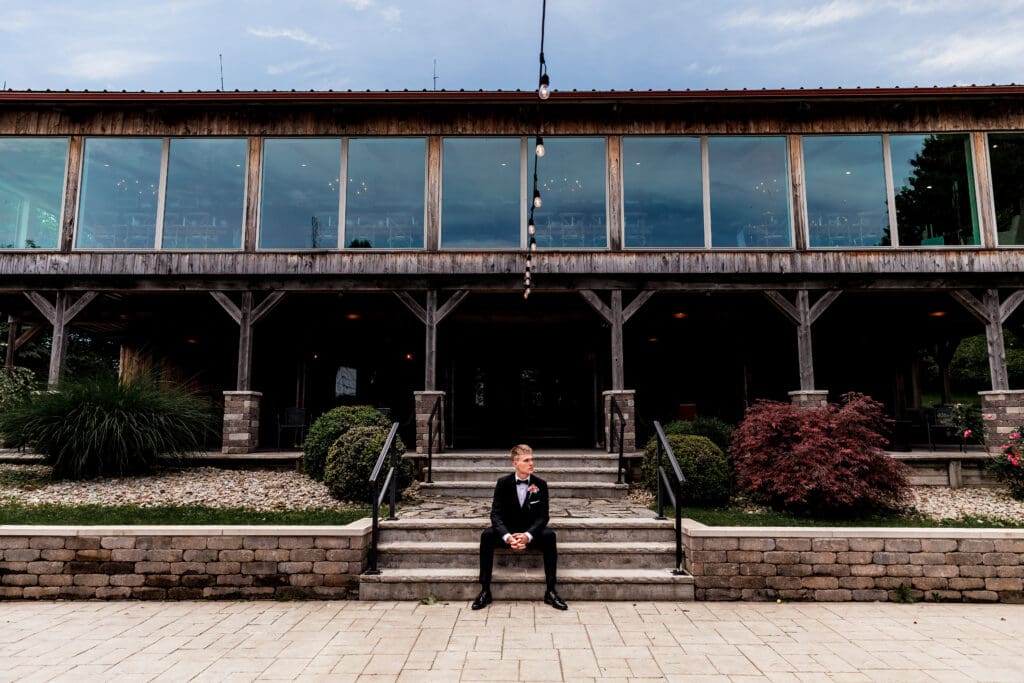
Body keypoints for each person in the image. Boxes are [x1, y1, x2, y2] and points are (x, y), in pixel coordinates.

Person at [471, 444, 567, 610]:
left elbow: (544, 516)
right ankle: (485, 590)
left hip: (531, 534)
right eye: (526, 460)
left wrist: (528, 536)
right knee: (486, 535)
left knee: (550, 536)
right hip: (509, 533)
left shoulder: (540, 485)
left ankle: (550, 591)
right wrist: (508, 537)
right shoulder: (503, 483)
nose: (531, 463)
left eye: (532, 459)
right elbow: (495, 515)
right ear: (515, 463)